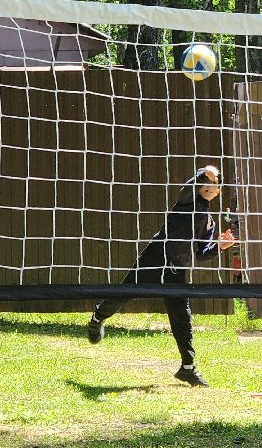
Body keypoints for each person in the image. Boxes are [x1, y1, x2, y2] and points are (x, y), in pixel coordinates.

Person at [86, 165, 237, 387]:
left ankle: (188, 368)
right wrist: (204, 171)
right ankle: (98, 317)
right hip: (155, 257)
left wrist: (220, 246)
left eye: (215, 185)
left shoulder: (209, 222)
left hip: (177, 269)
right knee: (125, 293)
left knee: (181, 315)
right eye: (207, 182)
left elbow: (203, 254)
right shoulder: (187, 201)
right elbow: (188, 187)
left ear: (218, 192)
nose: (210, 186)